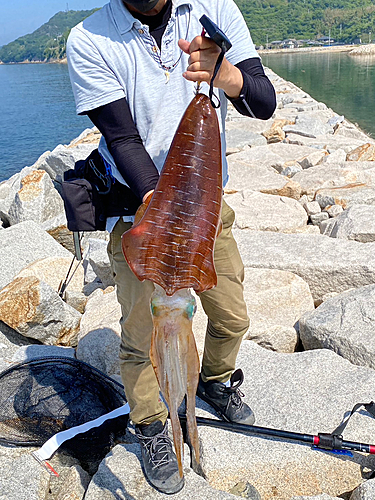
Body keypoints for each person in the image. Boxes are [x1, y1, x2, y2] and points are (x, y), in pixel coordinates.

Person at [67, 0, 276, 494]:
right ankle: (153, 425)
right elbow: (122, 138)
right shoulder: (89, 39)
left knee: (232, 317)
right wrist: (165, 222)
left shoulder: (214, 9)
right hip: (141, 215)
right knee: (142, 339)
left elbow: (263, 102)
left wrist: (225, 74)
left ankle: (216, 380)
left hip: (205, 214)